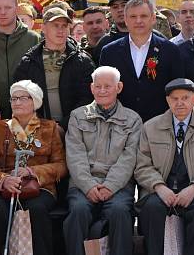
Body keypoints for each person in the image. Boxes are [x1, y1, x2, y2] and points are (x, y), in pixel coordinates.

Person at [135, 78, 194, 255]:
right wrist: (160, 187)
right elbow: (142, 166)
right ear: (167, 101)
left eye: (185, 98)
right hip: (161, 190)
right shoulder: (150, 127)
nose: (180, 103)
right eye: (174, 98)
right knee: (152, 208)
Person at [64, 66, 142, 255]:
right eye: (98, 86)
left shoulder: (133, 120)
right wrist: (89, 186)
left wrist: (110, 186)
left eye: (108, 86)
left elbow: (129, 158)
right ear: (91, 88)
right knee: (78, 210)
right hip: (83, 184)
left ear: (119, 87)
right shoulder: (77, 116)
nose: (102, 90)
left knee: (120, 211)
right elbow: (75, 155)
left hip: (118, 186)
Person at [0, 80, 67, 255]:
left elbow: (61, 165)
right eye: (13, 99)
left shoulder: (49, 128)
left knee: (36, 209)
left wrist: (32, 172)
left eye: (23, 98)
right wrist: (4, 180)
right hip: (6, 186)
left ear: (34, 101)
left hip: (41, 187)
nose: (17, 102)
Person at [99, 0, 184, 121]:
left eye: (143, 16)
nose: (138, 21)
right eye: (133, 17)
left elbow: (177, 89)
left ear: (153, 18)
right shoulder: (109, 52)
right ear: (126, 20)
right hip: (120, 125)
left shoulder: (170, 50)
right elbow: (104, 90)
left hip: (160, 124)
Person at [13, 7, 95, 129]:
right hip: (39, 129)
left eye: (64, 26)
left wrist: (64, 125)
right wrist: (43, 126)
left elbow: (88, 98)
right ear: (43, 28)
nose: (60, 30)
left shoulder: (83, 61)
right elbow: (20, 98)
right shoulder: (28, 62)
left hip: (77, 128)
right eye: (55, 25)